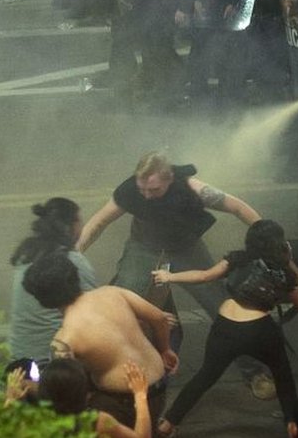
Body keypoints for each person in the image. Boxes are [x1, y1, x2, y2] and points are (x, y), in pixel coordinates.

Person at [74, 151, 275, 399]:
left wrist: (269, 238)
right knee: (124, 307)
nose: (146, 196)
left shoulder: (192, 188)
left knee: (224, 308)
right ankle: (115, 372)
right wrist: (75, 253)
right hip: (144, 250)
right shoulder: (130, 190)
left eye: (154, 190)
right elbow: (98, 222)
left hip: (186, 250)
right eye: (142, 189)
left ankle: (254, 371)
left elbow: (237, 207)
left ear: (169, 179)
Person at [152, 220, 298, 437]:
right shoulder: (284, 273)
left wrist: (170, 277)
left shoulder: (237, 259)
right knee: (283, 376)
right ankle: (292, 424)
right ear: (280, 243)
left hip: (226, 326)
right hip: (260, 330)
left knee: (205, 376)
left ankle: (167, 424)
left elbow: (204, 276)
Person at [21, 252, 179, 426]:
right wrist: (165, 350)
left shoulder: (64, 339)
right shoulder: (113, 292)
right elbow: (159, 319)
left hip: (123, 404)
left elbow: (65, 391)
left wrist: (26, 385)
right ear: (74, 276)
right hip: (159, 389)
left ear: (43, 300)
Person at [9, 198, 97, 365]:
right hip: (55, 361)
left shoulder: (25, 255)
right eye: (80, 222)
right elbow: (93, 312)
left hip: (19, 359)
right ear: (72, 226)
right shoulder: (72, 260)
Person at [13, 359, 154, 438]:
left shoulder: (30, 424)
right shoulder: (97, 421)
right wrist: (140, 395)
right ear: (84, 393)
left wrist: (11, 402)